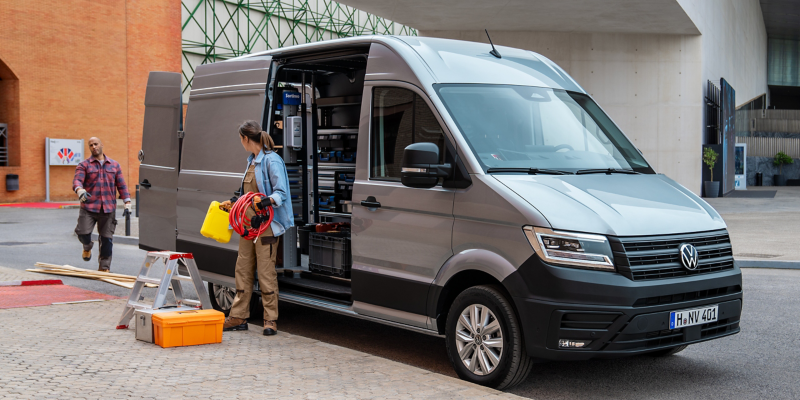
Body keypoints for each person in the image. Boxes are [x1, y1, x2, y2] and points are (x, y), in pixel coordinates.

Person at [221, 120, 293, 336]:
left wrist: (264, 202)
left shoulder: (272, 161)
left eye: (240, 140)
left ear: (245, 138)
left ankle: (270, 320)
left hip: (267, 227)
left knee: (265, 273)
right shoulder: (251, 162)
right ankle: (238, 317)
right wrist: (235, 201)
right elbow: (246, 195)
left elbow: (281, 193)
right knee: (242, 270)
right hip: (247, 227)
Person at [72, 137, 131, 272]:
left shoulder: (114, 165)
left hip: (108, 208)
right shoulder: (84, 165)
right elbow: (77, 181)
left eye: (96, 144)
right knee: (83, 233)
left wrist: (127, 202)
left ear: (101, 145)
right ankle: (87, 246)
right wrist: (79, 190)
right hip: (89, 207)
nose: (94, 147)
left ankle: (104, 268)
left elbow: (121, 185)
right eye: (91, 145)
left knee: (107, 240)